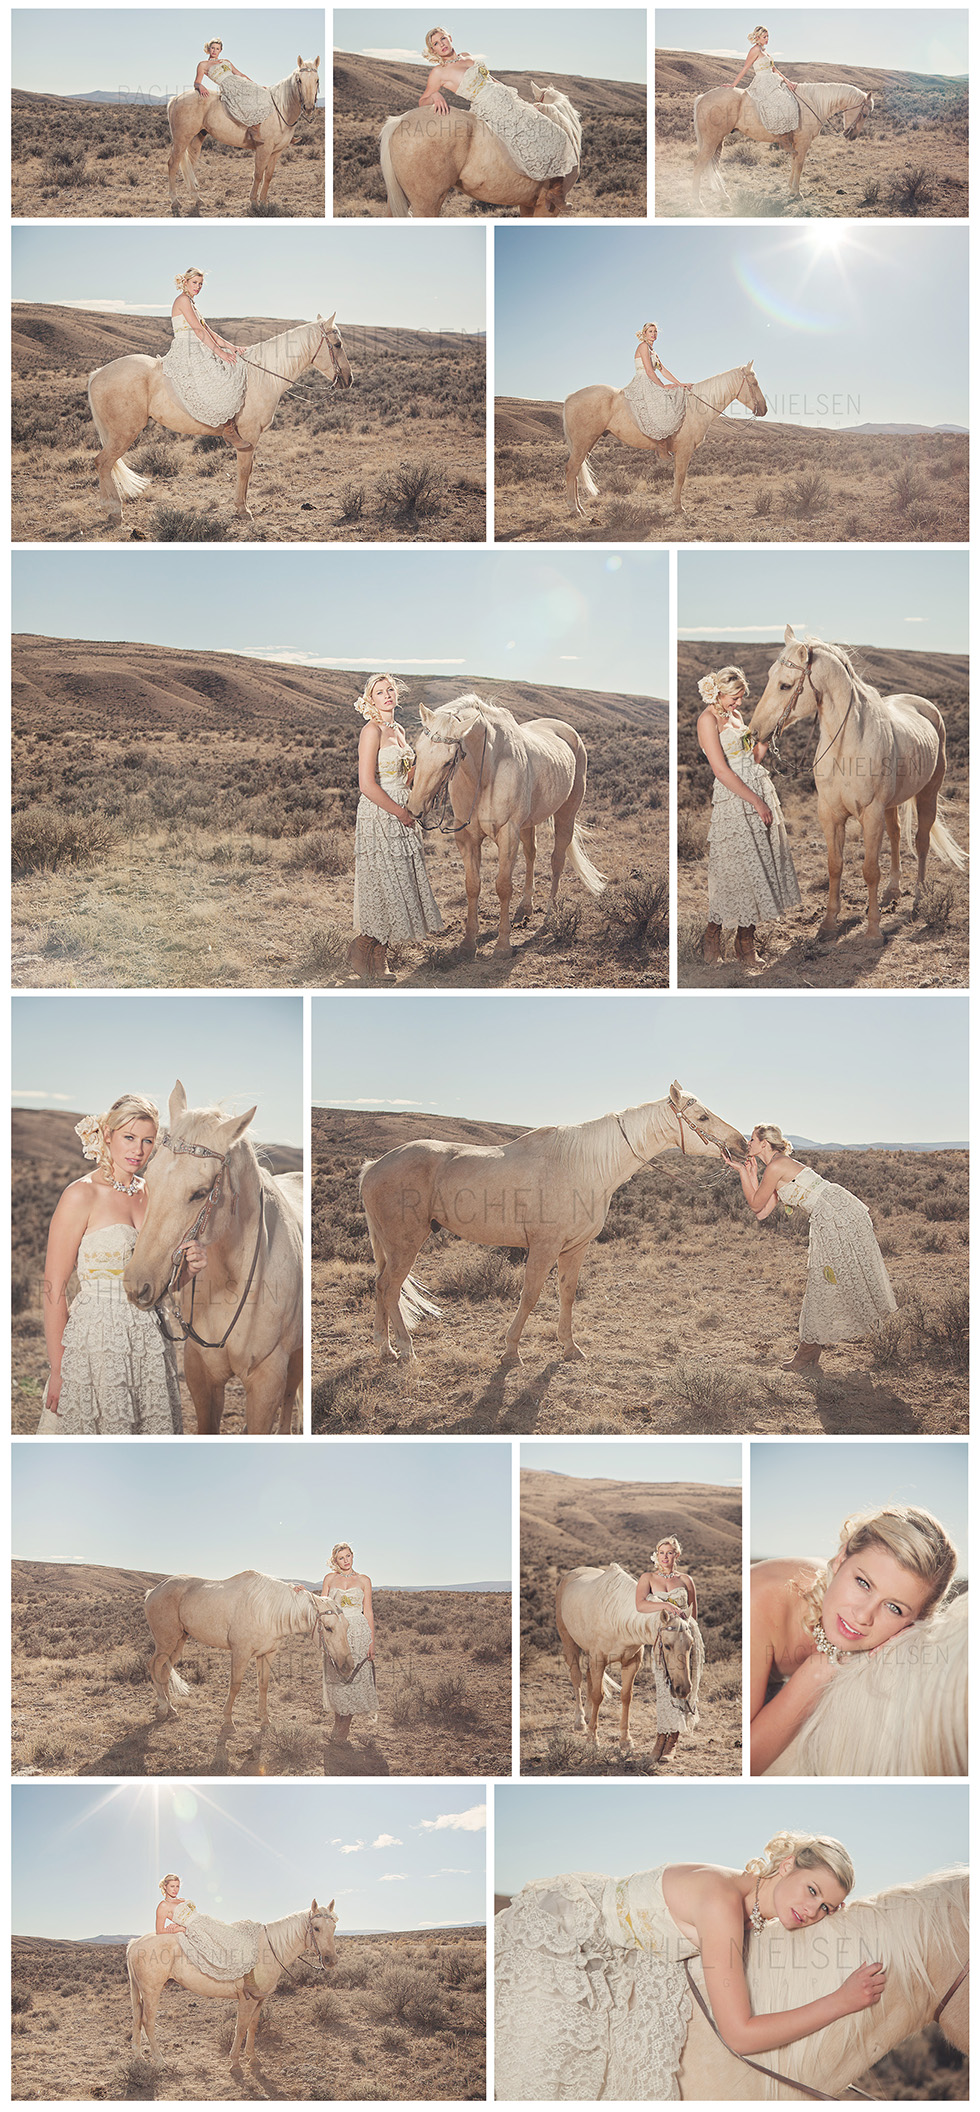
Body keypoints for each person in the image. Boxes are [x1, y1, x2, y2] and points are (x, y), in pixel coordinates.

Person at [495, 1829, 884, 2101]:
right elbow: (740, 2036)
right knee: (547, 2078)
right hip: (563, 1932)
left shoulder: (749, 1899)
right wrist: (841, 2001)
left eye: (825, 1908)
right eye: (812, 1890)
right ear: (785, 1867)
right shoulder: (721, 1903)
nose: (812, 1910)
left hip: (614, 1948)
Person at [41, 1095, 207, 1436]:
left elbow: (160, 1282)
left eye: (147, 1141)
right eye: (129, 1138)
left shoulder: (155, 1194)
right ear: (107, 1134)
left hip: (149, 1342)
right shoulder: (81, 1195)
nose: (138, 1150)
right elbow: (54, 1291)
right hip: (96, 1344)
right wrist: (58, 1371)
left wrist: (188, 1270)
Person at [751, 1505, 957, 1774]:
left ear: (915, 1620)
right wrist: (824, 1666)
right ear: (840, 1559)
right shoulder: (761, 1602)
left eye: (894, 1608)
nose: (863, 1616)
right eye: (863, 1582)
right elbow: (747, 1761)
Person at [730, 1125, 898, 1370]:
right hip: (831, 1214)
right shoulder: (776, 1166)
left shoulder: (777, 1165)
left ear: (764, 1144)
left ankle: (808, 1351)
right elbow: (762, 1213)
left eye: (752, 1139)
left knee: (826, 1280)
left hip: (834, 1215)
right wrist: (746, 1172)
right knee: (824, 1280)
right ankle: (810, 1349)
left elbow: (755, 1203)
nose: (748, 1143)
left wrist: (744, 1172)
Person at [695, 665, 801, 968]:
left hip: (758, 792)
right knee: (734, 871)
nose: (738, 703)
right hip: (735, 800)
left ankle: (745, 945)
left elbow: (750, 758)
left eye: (741, 698)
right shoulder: (707, 720)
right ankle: (712, 935)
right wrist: (756, 801)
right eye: (735, 697)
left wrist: (766, 741)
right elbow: (721, 770)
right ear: (720, 692)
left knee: (758, 870)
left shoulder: (737, 718)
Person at [349, 673, 445, 980]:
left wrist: (421, 769)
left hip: (404, 812)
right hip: (380, 815)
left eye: (391, 690)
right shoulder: (371, 731)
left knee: (399, 885)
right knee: (383, 885)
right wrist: (399, 813)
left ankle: (378, 959)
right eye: (380, 692)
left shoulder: (400, 730)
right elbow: (366, 784)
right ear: (371, 699)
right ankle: (363, 950)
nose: (387, 695)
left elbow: (403, 778)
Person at [418, 27, 578, 194]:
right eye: (436, 43)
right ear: (433, 50)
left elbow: (490, 79)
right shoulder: (439, 72)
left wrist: (517, 99)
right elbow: (423, 100)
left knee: (552, 131)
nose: (441, 44)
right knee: (527, 140)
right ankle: (545, 189)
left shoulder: (466, 55)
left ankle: (555, 189)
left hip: (507, 99)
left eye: (443, 39)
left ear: (449, 37)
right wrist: (435, 96)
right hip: (490, 106)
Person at [160, 268, 249, 450]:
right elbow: (199, 332)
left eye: (200, 284)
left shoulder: (192, 304)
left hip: (198, 347)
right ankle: (228, 430)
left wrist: (231, 347)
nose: (198, 287)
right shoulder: (183, 300)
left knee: (233, 367)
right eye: (195, 283)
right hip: (187, 349)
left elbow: (209, 332)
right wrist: (220, 353)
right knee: (218, 379)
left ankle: (231, 424)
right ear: (185, 283)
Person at [636, 1537, 700, 1762]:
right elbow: (640, 1605)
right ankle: (660, 1738)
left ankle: (673, 1740)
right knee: (664, 1689)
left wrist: (691, 1640)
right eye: (662, 1552)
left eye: (670, 1552)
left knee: (682, 1684)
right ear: (656, 1554)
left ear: (677, 1555)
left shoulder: (686, 1580)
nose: (665, 1556)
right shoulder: (648, 1578)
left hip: (683, 1640)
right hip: (662, 1641)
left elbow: (693, 1612)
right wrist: (666, 1605)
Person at [321, 1541, 377, 1745]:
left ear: (353, 1556)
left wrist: (371, 1641)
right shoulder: (329, 1578)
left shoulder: (364, 1580)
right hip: (337, 1633)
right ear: (335, 1561)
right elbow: (322, 1607)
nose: (345, 1561)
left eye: (348, 1556)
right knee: (338, 1677)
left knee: (353, 1677)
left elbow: (368, 1611)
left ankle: (342, 1730)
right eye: (340, 1558)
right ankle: (339, 1725)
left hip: (359, 1632)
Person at [156, 1875, 262, 1977]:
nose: (175, 1889)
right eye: (172, 1886)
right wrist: (180, 1928)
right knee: (220, 1955)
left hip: (206, 1922)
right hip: (195, 1931)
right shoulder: (163, 1905)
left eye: (177, 1886)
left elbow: (187, 1915)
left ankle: (252, 1974)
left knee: (234, 1938)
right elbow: (159, 1930)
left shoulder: (182, 1900)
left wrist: (178, 1923)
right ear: (165, 1887)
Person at [623, 322, 692, 441]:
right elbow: (649, 371)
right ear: (644, 333)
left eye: (655, 331)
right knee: (662, 402)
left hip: (651, 379)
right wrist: (662, 387)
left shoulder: (653, 351)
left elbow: (663, 370)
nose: (653, 334)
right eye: (650, 331)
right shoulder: (643, 346)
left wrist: (680, 383)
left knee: (676, 390)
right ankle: (659, 443)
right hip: (644, 380)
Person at [193, 38, 269, 146]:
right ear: (208, 49)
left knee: (264, 93)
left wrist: (256, 85)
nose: (215, 51)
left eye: (217, 49)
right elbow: (196, 82)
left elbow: (240, 74)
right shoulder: (203, 64)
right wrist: (200, 86)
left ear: (221, 50)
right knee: (244, 101)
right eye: (213, 48)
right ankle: (253, 130)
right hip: (227, 86)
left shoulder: (226, 61)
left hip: (240, 82)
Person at [732, 26, 800, 132]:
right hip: (762, 82)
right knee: (782, 104)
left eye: (768, 36)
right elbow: (745, 68)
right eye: (764, 37)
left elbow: (774, 69)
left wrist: (788, 81)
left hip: (773, 80)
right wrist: (733, 85)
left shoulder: (764, 51)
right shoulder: (755, 50)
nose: (767, 39)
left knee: (790, 100)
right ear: (758, 37)